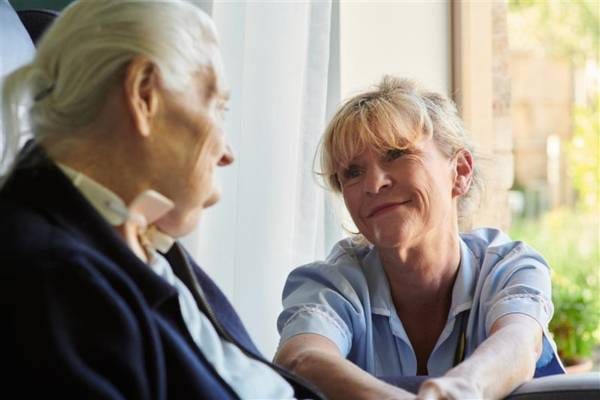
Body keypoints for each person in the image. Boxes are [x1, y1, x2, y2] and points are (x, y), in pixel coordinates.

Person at [0, 1, 322, 398]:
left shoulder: (141, 241)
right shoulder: (54, 279)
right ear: (143, 94)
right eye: (218, 107)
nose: (227, 154)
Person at [274, 76, 565, 400]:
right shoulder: (330, 284)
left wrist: (460, 389)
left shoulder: (509, 267)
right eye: (353, 172)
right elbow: (300, 359)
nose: (373, 184)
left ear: (461, 172)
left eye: (396, 154)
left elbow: (520, 342)